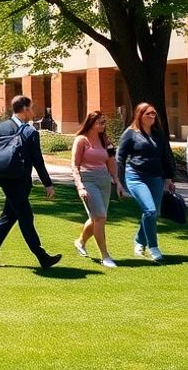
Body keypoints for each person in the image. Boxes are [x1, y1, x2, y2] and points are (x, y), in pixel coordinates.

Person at [0, 95, 62, 269]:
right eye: (31, 108)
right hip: (20, 181)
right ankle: (42, 256)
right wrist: (48, 184)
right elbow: (37, 161)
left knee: (9, 216)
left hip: (4, 178)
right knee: (26, 217)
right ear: (24, 109)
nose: (33, 111)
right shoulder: (29, 132)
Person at [116, 102, 177, 263]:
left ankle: (139, 241)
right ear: (139, 115)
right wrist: (119, 182)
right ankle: (154, 247)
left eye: (153, 114)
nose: (152, 116)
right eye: (148, 113)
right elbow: (119, 158)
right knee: (150, 210)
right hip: (135, 177)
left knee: (152, 213)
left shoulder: (158, 134)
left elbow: (165, 157)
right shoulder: (130, 133)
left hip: (156, 178)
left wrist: (169, 178)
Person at [71, 111, 124, 267]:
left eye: (104, 122)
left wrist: (117, 181)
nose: (103, 125)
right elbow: (74, 165)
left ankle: (80, 242)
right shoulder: (81, 140)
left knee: (97, 218)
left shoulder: (107, 141)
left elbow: (112, 162)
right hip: (88, 181)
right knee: (100, 217)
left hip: (104, 182)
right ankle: (105, 256)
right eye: (100, 122)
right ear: (91, 123)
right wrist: (80, 186)